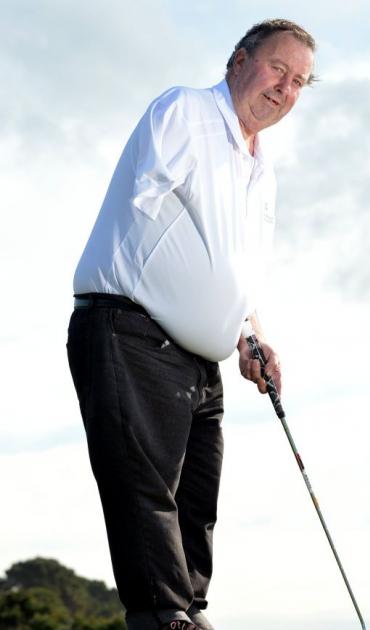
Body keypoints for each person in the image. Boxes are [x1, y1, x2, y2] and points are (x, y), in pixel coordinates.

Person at [66, 19, 316, 630]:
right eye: (278, 70)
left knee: (194, 509)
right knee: (145, 496)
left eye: (301, 82)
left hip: (198, 360)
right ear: (238, 61)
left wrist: (248, 334)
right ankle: (162, 617)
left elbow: (241, 272)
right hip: (131, 331)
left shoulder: (264, 174)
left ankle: (187, 613)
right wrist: (216, 302)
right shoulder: (187, 113)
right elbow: (150, 208)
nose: (286, 89)